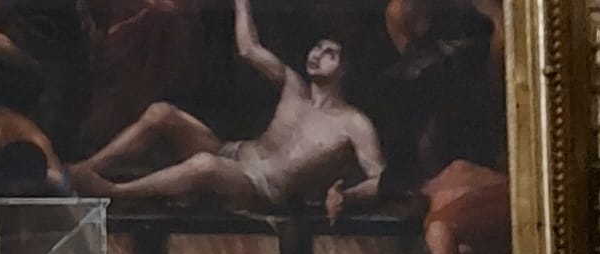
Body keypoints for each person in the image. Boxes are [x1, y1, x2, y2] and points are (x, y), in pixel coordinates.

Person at [70, 0, 384, 220]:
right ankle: (86, 169)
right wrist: (241, 3)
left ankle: (115, 192)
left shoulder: (353, 123)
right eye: (317, 48)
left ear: (345, 69)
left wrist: (348, 196)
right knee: (162, 113)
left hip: (258, 189)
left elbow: (380, 177)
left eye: (329, 53)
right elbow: (248, 48)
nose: (317, 55)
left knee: (204, 165)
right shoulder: (293, 85)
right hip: (235, 154)